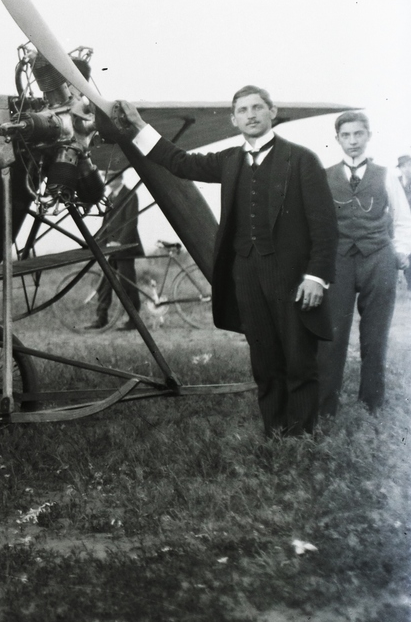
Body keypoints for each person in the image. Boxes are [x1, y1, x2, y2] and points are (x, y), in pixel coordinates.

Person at [114, 88, 336, 437]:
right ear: (233, 119)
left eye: (257, 108)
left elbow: (324, 226)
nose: (250, 115)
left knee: (298, 359)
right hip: (245, 274)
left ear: (272, 112)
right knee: (264, 362)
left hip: (291, 276)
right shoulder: (229, 160)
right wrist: (139, 126)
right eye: (242, 110)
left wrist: (316, 277)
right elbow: (179, 162)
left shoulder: (302, 160)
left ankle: (302, 438)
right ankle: (276, 435)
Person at [317, 112, 411, 417]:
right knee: (332, 334)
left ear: (368, 136)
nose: (353, 141)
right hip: (339, 261)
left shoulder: (386, 175)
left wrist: (399, 254)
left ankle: (371, 404)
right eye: (346, 135)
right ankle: (325, 406)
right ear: (338, 140)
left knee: (375, 334)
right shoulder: (325, 175)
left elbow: (403, 219)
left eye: (358, 134)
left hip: (378, 260)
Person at [86, 176, 141, 331]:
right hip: (110, 248)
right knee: (104, 283)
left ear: (120, 178)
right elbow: (106, 224)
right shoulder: (109, 197)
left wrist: (121, 243)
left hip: (125, 247)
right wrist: (99, 244)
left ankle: (133, 320)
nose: (108, 180)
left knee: (127, 283)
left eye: (111, 177)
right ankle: (101, 318)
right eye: (107, 178)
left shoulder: (130, 194)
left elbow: (131, 222)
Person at [400, 155, 411, 293]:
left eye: (410, 165)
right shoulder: (396, 182)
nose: (408, 169)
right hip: (401, 224)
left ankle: (410, 286)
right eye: (404, 166)